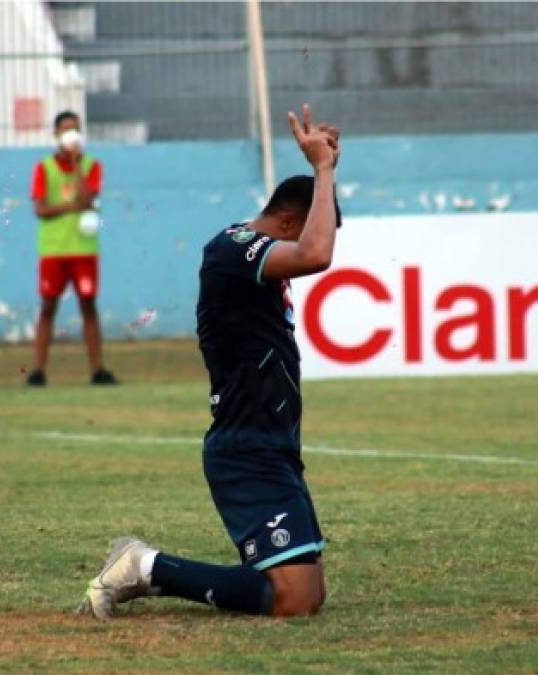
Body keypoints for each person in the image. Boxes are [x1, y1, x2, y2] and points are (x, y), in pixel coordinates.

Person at [77, 104, 341, 618]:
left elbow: (311, 243)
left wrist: (323, 173)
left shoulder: (251, 255)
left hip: (271, 444)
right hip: (247, 448)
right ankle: (144, 566)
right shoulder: (233, 248)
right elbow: (315, 254)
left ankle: (147, 566)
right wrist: (323, 172)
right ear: (288, 220)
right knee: (293, 599)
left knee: (308, 596)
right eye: (303, 229)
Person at [25, 110, 117, 387]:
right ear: (55, 135)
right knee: (48, 306)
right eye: (66, 130)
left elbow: (88, 198)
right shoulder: (44, 168)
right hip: (53, 249)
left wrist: (77, 163)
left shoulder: (91, 165)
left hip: (84, 249)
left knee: (88, 305)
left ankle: (98, 369)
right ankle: (38, 370)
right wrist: (71, 206)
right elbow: (41, 209)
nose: (71, 135)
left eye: (76, 129)